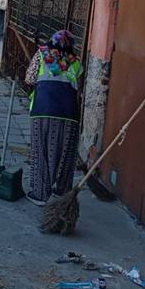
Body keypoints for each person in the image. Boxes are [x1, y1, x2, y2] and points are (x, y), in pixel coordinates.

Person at [24, 30, 83, 206]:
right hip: (68, 114)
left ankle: (40, 194)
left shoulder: (42, 54)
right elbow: (79, 87)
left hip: (43, 110)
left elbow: (29, 79)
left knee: (41, 151)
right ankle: (61, 193)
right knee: (65, 153)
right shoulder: (76, 62)